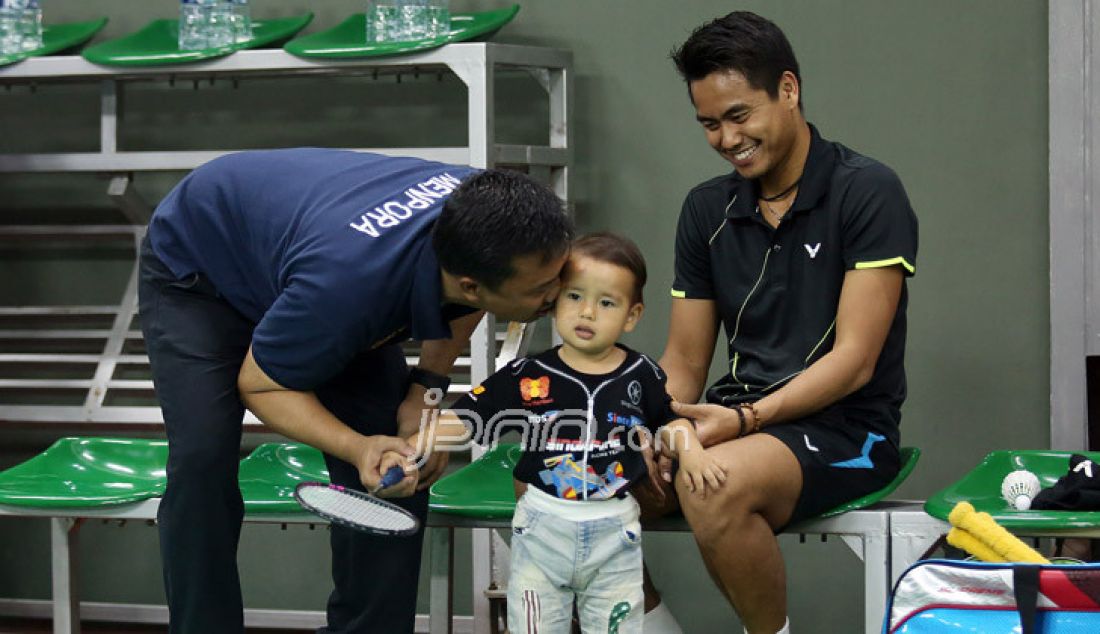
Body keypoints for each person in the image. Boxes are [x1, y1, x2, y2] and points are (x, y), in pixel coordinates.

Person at [138, 148, 574, 633]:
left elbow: (467, 304)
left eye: (557, 275)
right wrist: (357, 446)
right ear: (471, 283)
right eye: (541, 289)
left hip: (310, 261)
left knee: (399, 457)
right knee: (203, 459)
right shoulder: (347, 290)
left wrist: (423, 393)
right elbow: (261, 387)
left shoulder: (487, 213)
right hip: (201, 269)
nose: (557, 295)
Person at [638, 11, 920, 634]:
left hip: (849, 432)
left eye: (739, 116)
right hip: (733, 422)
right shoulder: (705, 208)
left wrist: (742, 420)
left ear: (788, 90)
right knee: (574, 477)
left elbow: (855, 360)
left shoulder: (868, 190)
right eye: (709, 124)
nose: (726, 138)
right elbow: (684, 363)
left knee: (713, 485)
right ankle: (646, 626)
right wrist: (646, 426)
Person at [400, 233, 724, 634]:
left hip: (615, 530)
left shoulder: (642, 374)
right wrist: (420, 443)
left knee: (618, 626)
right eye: (574, 297)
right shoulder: (527, 375)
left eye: (606, 303)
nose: (586, 312)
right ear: (553, 299)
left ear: (632, 315)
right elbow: (467, 415)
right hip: (541, 528)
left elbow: (669, 420)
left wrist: (691, 451)